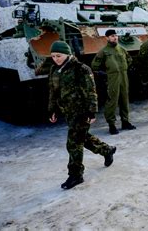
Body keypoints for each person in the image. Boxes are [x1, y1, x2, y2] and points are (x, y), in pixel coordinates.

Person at [48, 41, 116, 190]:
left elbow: (91, 91)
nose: (56, 59)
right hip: (67, 111)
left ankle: (76, 175)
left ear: (68, 54)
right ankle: (107, 150)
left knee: (73, 143)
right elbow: (53, 91)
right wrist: (52, 109)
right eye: (53, 56)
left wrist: (91, 111)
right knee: (82, 138)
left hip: (81, 112)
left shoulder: (81, 69)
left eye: (58, 55)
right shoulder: (55, 69)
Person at [92, 29, 136, 135]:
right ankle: (111, 125)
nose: (115, 37)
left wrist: (124, 69)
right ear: (107, 38)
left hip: (123, 77)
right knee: (112, 101)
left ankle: (125, 122)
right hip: (112, 78)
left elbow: (129, 60)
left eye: (116, 35)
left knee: (125, 100)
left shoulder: (122, 49)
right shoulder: (104, 52)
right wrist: (105, 74)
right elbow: (94, 66)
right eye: (112, 36)